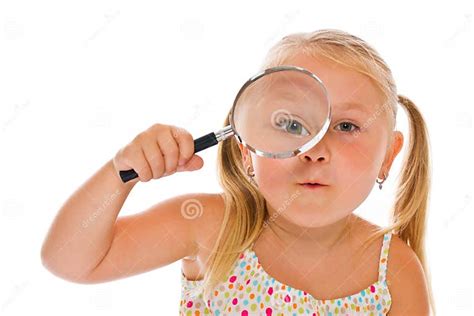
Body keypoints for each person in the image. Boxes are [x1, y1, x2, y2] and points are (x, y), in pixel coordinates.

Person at [41, 29, 434, 315]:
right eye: (293, 125)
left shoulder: (394, 271)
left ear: (388, 156)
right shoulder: (207, 226)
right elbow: (68, 259)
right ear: (246, 145)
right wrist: (120, 173)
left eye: (346, 127)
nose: (315, 150)